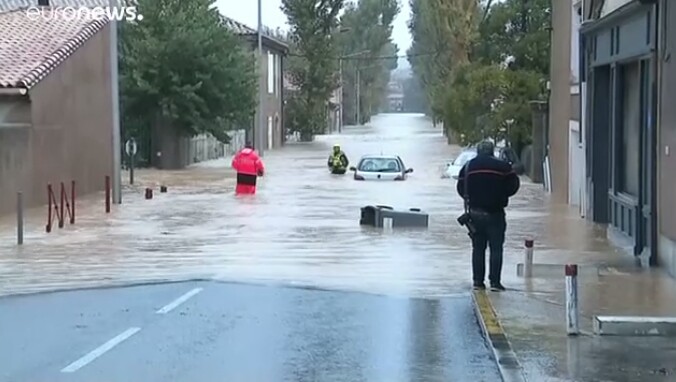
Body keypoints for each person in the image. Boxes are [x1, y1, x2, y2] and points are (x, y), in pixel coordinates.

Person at [456, 140, 520, 292]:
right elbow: (514, 185)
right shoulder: (503, 167)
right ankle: (495, 283)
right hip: (496, 213)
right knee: (496, 249)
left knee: (478, 249)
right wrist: (502, 194)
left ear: (478, 151)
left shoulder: (468, 167)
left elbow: (460, 188)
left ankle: (478, 282)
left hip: (475, 214)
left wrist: (471, 197)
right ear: (492, 151)